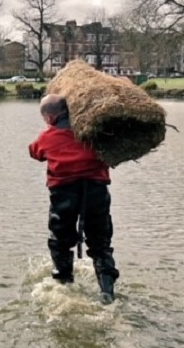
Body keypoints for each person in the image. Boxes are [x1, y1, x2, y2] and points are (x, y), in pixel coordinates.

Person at [28, 94, 120, 304]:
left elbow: (35, 152)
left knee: (59, 240)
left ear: (50, 117)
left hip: (64, 194)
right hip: (96, 191)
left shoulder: (48, 137)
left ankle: (63, 284)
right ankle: (107, 292)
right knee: (100, 243)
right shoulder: (93, 132)